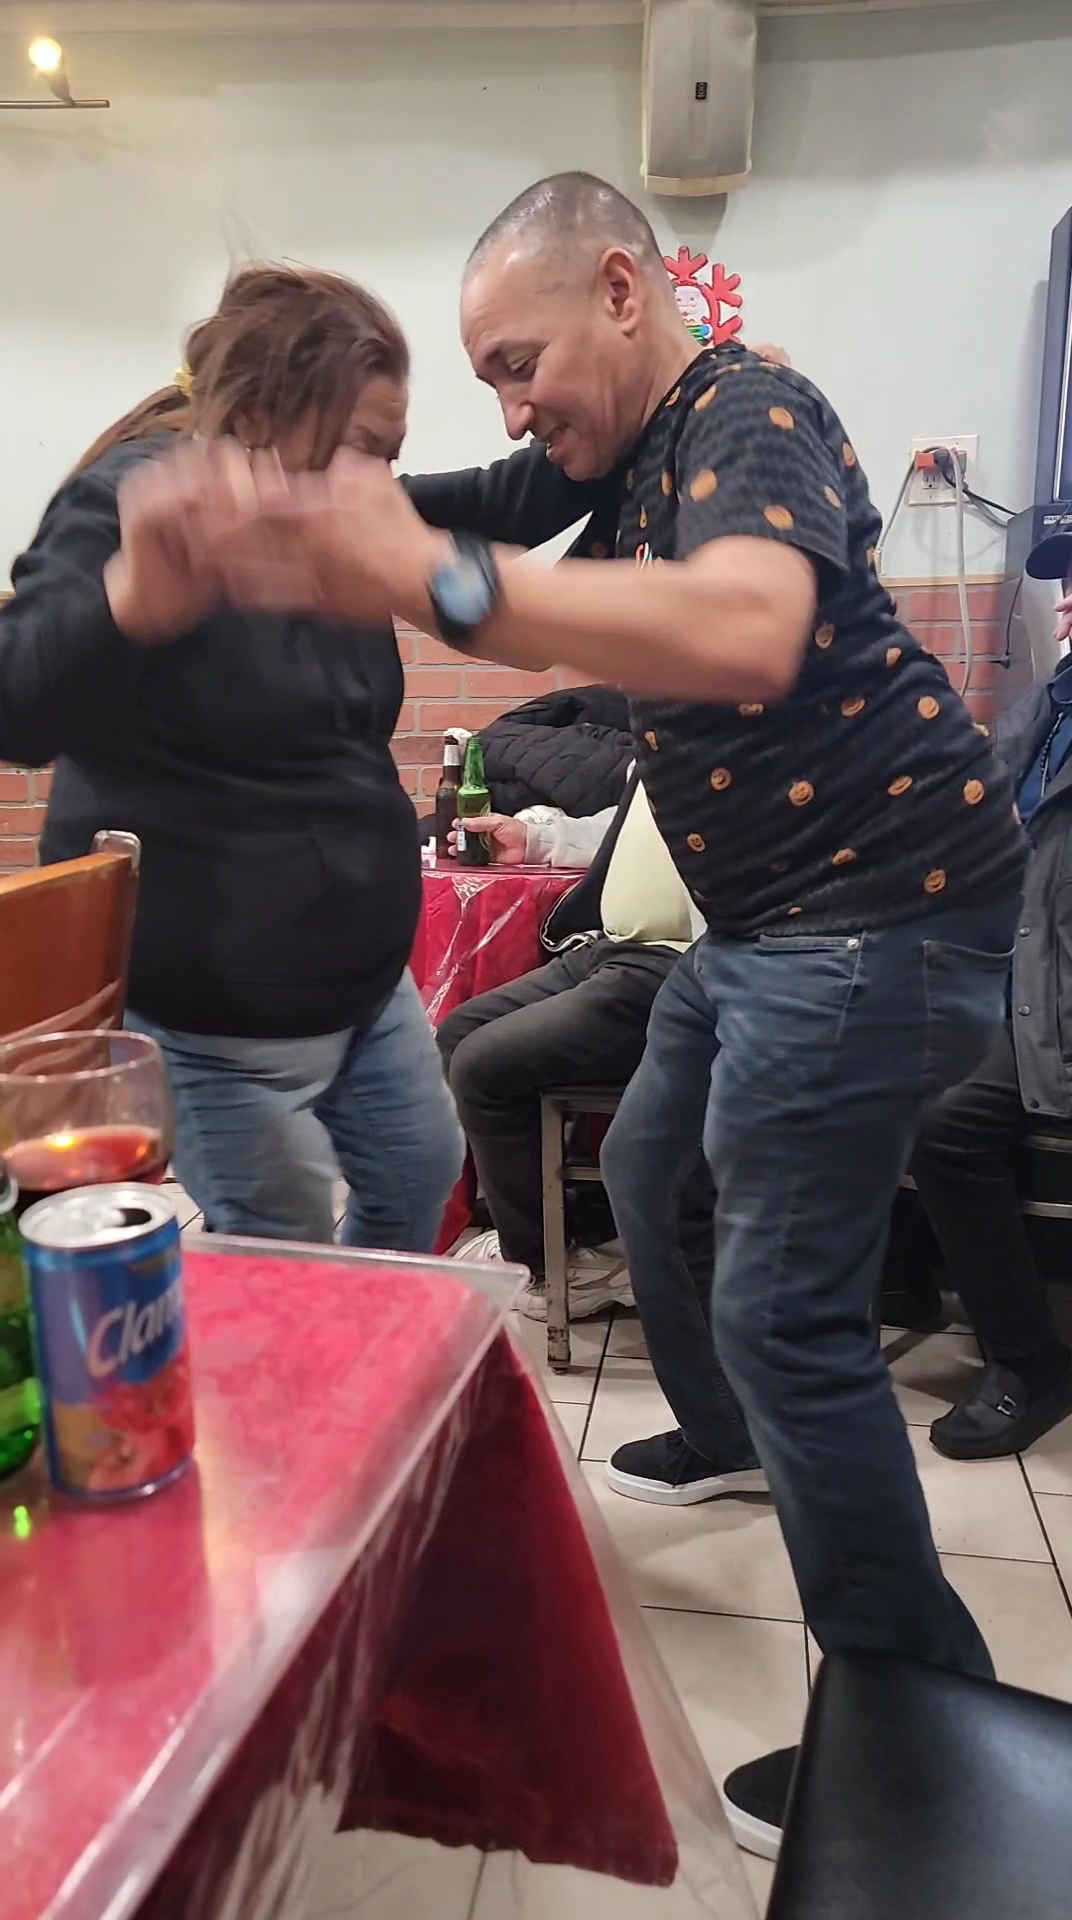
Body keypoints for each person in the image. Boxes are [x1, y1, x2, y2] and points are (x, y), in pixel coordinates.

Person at [83, 173, 1027, 1863]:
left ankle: (918, 1737)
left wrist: (432, 580)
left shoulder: (743, 407)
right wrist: (259, 508)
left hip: (875, 923)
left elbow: (748, 625)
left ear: (618, 289)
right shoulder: (625, 457)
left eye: (517, 365)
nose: (511, 410)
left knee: (785, 1316)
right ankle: (731, 1439)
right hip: (768, 930)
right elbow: (452, 500)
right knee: (653, 1158)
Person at [0, 264, 471, 1248]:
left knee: (421, 1172)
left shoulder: (323, 515)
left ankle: (347, 1340)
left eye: (391, 454)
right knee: (279, 1242)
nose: (377, 484)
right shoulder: (133, 501)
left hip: (362, 984)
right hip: (212, 1011)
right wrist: (130, 604)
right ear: (257, 417)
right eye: (362, 449)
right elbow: (16, 703)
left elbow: (496, 499)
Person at [895, 559, 1072, 1461]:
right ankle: (899, 1278)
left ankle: (1029, 1361)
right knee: (842, 1052)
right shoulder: (1045, 706)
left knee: (948, 1123)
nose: (1068, 599)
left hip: (1053, 999)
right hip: (1006, 976)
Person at [440, 763, 706, 1320]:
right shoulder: (664, 742)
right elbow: (623, 828)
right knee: (457, 1033)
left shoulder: (745, 742)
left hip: (678, 968)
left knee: (483, 1067)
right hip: (612, 947)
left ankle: (548, 1265)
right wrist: (535, 837)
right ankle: (570, 1231)